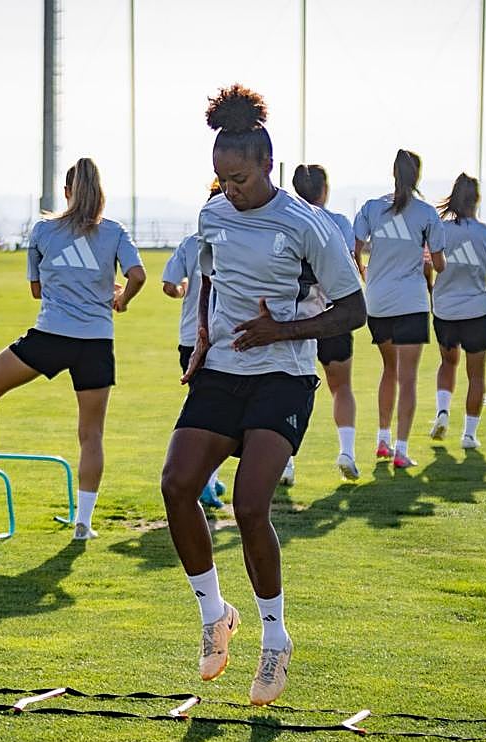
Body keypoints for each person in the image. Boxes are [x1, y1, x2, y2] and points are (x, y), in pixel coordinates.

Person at [160, 85, 366, 706]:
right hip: (221, 370)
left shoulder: (307, 225)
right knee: (176, 485)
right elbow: (208, 277)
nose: (230, 190)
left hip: (284, 376)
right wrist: (201, 335)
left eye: (241, 179)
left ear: (268, 166)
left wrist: (283, 330)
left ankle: (275, 638)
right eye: (221, 179)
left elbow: (354, 310)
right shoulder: (213, 215)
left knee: (251, 505)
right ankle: (215, 615)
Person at [0, 158, 146, 539]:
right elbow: (138, 276)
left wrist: (71, 285)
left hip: (51, 337)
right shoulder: (115, 231)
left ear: (66, 192)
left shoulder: (43, 230)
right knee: (91, 436)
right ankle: (83, 523)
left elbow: (36, 291)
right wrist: (121, 298)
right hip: (96, 342)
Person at [353, 150, 446, 468]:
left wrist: (366, 274)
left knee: (388, 370)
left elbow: (355, 249)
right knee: (407, 378)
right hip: (411, 302)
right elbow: (439, 265)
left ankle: (383, 440)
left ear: (393, 173)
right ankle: (401, 450)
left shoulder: (371, 207)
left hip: (377, 303)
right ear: (418, 175)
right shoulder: (426, 213)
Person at [429, 174, 486, 449]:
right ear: (477, 199)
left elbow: (426, 266)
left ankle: (443, 412)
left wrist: (431, 291)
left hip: (444, 310)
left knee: (447, 363)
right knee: (476, 375)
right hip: (477, 311)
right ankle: (469, 435)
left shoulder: (439, 231)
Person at [289, 163, 360, 482]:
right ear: (324, 190)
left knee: (287, 389)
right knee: (341, 386)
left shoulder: (286, 220)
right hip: (332, 314)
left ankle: (285, 462)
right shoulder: (338, 222)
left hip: (294, 316)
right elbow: (349, 266)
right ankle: (347, 451)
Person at [163, 180, 226, 508]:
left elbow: (168, 284)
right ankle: (207, 480)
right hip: (219, 338)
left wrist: (182, 291)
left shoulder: (190, 243)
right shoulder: (237, 240)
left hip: (189, 337)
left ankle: (209, 478)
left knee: (206, 408)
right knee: (215, 414)